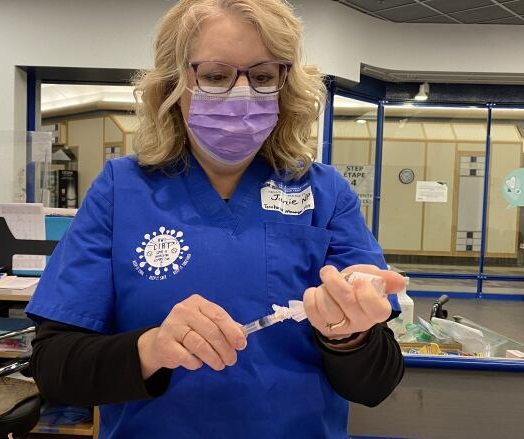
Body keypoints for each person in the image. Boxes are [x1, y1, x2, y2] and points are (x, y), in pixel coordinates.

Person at [25, 0, 406, 437]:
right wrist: (153, 348)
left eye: (263, 76)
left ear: (285, 84)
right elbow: (55, 368)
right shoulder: (121, 190)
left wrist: (349, 335)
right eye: (215, 76)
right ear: (175, 81)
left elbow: (377, 384)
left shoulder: (323, 195)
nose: (242, 94)